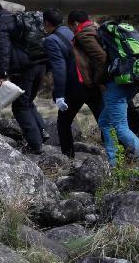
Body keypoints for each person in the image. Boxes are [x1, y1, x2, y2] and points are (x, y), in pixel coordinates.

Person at [67, 12, 139, 167]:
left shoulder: (85, 35)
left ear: (75, 24)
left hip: (113, 85)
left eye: (71, 27)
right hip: (127, 82)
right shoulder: (96, 29)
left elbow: (101, 58)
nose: (71, 30)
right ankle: (114, 162)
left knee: (120, 127)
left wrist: (100, 81)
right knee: (105, 122)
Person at [0, 0, 48, 153]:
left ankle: (36, 145)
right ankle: (42, 131)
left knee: (20, 106)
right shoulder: (17, 18)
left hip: (24, 68)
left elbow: (3, 49)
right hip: (40, 64)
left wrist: (2, 74)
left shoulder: (0, 23)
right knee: (27, 101)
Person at [43, 8, 103, 158]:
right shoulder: (73, 31)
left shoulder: (51, 40)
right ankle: (116, 151)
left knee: (63, 123)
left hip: (75, 88)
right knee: (104, 120)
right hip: (92, 82)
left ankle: (68, 158)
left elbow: (59, 69)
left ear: (46, 23)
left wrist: (60, 95)